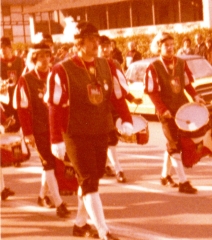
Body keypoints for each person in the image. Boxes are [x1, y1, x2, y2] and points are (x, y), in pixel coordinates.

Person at [46, 22, 133, 239]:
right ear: (79, 43)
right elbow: (54, 107)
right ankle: (103, 231)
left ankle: (80, 224)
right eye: (91, 40)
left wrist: (126, 119)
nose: (96, 43)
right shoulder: (61, 70)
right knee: (88, 180)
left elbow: (117, 96)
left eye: (97, 39)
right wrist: (56, 138)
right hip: (75, 134)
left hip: (100, 130)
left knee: (93, 179)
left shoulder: (108, 65)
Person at [145, 32, 205, 194]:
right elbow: (152, 93)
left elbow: (187, 85)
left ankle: (165, 176)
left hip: (182, 110)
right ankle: (183, 182)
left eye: (172, 45)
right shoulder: (153, 67)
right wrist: (162, 109)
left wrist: (196, 96)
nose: (170, 48)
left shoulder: (180, 63)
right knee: (174, 144)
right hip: (166, 112)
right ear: (159, 47)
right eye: (166, 45)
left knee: (175, 143)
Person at [15, 43, 70, 217]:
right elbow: (22, 108)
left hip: (56, 127)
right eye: (41, 57)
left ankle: (41, 196)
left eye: (47, 56)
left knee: (52, 164)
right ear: (34, 59)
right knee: (48, 164)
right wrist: (28, 132)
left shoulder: (55, 75)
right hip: (38, 129)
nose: (45, 60)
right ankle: (59, 203)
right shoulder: (26, 79)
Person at [98, 35, 142, 183]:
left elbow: (120, 87)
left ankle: (112, 168)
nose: (105, 49)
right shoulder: (93, 65)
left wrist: (131, 98)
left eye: (107, 46)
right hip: (99, 108)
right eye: (102, 46)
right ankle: (117, 169)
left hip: (113, 107)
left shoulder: (115, 63)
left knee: (111, 139)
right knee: (107, 139)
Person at [0, 37, 24, 134]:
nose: (2, 50)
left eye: (5, 47)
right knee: (7, 125)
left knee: (18, 124)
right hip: (3, 99)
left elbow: (23, 78)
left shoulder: (19, 61)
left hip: (17, 96)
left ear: (10, 48)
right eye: (1, 47)